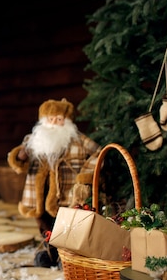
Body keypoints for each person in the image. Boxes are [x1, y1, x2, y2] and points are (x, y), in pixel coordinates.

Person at [7, 98, 101, 265]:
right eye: (50, 119)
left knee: (64, 223)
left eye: (59, 119)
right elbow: (20, 165)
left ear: (68, 121)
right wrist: (20, 156)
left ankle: (65, 255)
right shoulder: (33, 140)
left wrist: (85, 175)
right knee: (44, 222)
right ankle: (48, 251)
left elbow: (99, 154)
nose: (54, 124)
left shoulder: (78, 140)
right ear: (43, 121)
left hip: (65, 192)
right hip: (39, 193)